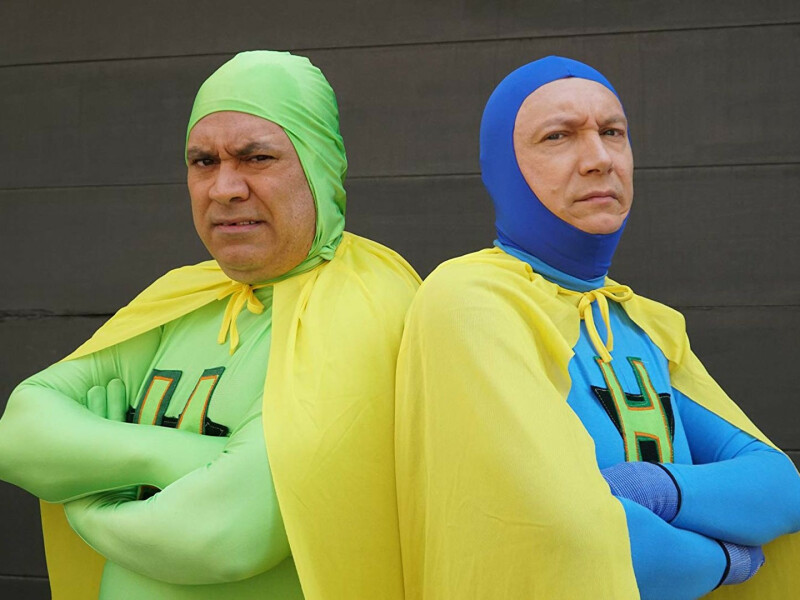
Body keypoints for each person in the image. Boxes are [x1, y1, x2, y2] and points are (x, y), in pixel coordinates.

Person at [0, 50, 419, 600]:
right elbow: (18, 433)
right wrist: (169, 458)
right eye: (203, 162)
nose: (224, 188)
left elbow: (226, 535)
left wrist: (88, 499)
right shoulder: (184, 295)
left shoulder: (368, 304)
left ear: (320, 165)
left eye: (256, 158)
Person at [395, 56, 800, 599]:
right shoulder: (470, 301)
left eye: (612, 132)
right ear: (504, 168)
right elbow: (568, 535)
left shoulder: (638, 320)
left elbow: (781, 487)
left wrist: (652, 489)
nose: (599, 160)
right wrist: (728, 557)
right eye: (558, 136)